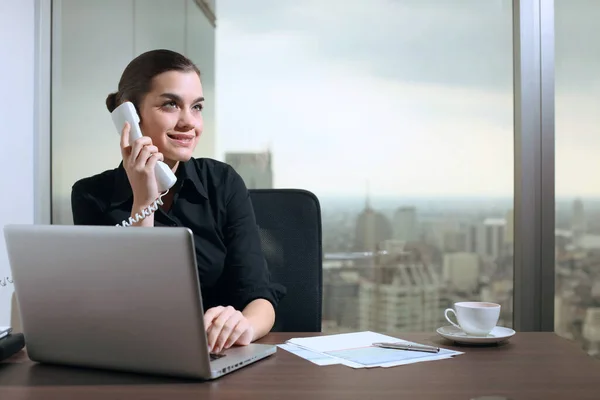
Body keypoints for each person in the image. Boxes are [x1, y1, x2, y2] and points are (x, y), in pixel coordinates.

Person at [71, 49, 286, 354]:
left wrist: (243, 326)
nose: (189, 122)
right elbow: (128, 309)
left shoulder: (222, 183)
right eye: (171, 104)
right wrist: (144, 202)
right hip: (135, 358)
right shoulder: (91, 195)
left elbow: (260, 296)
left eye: (196, 107)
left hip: (219, 356)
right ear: (130, 117)